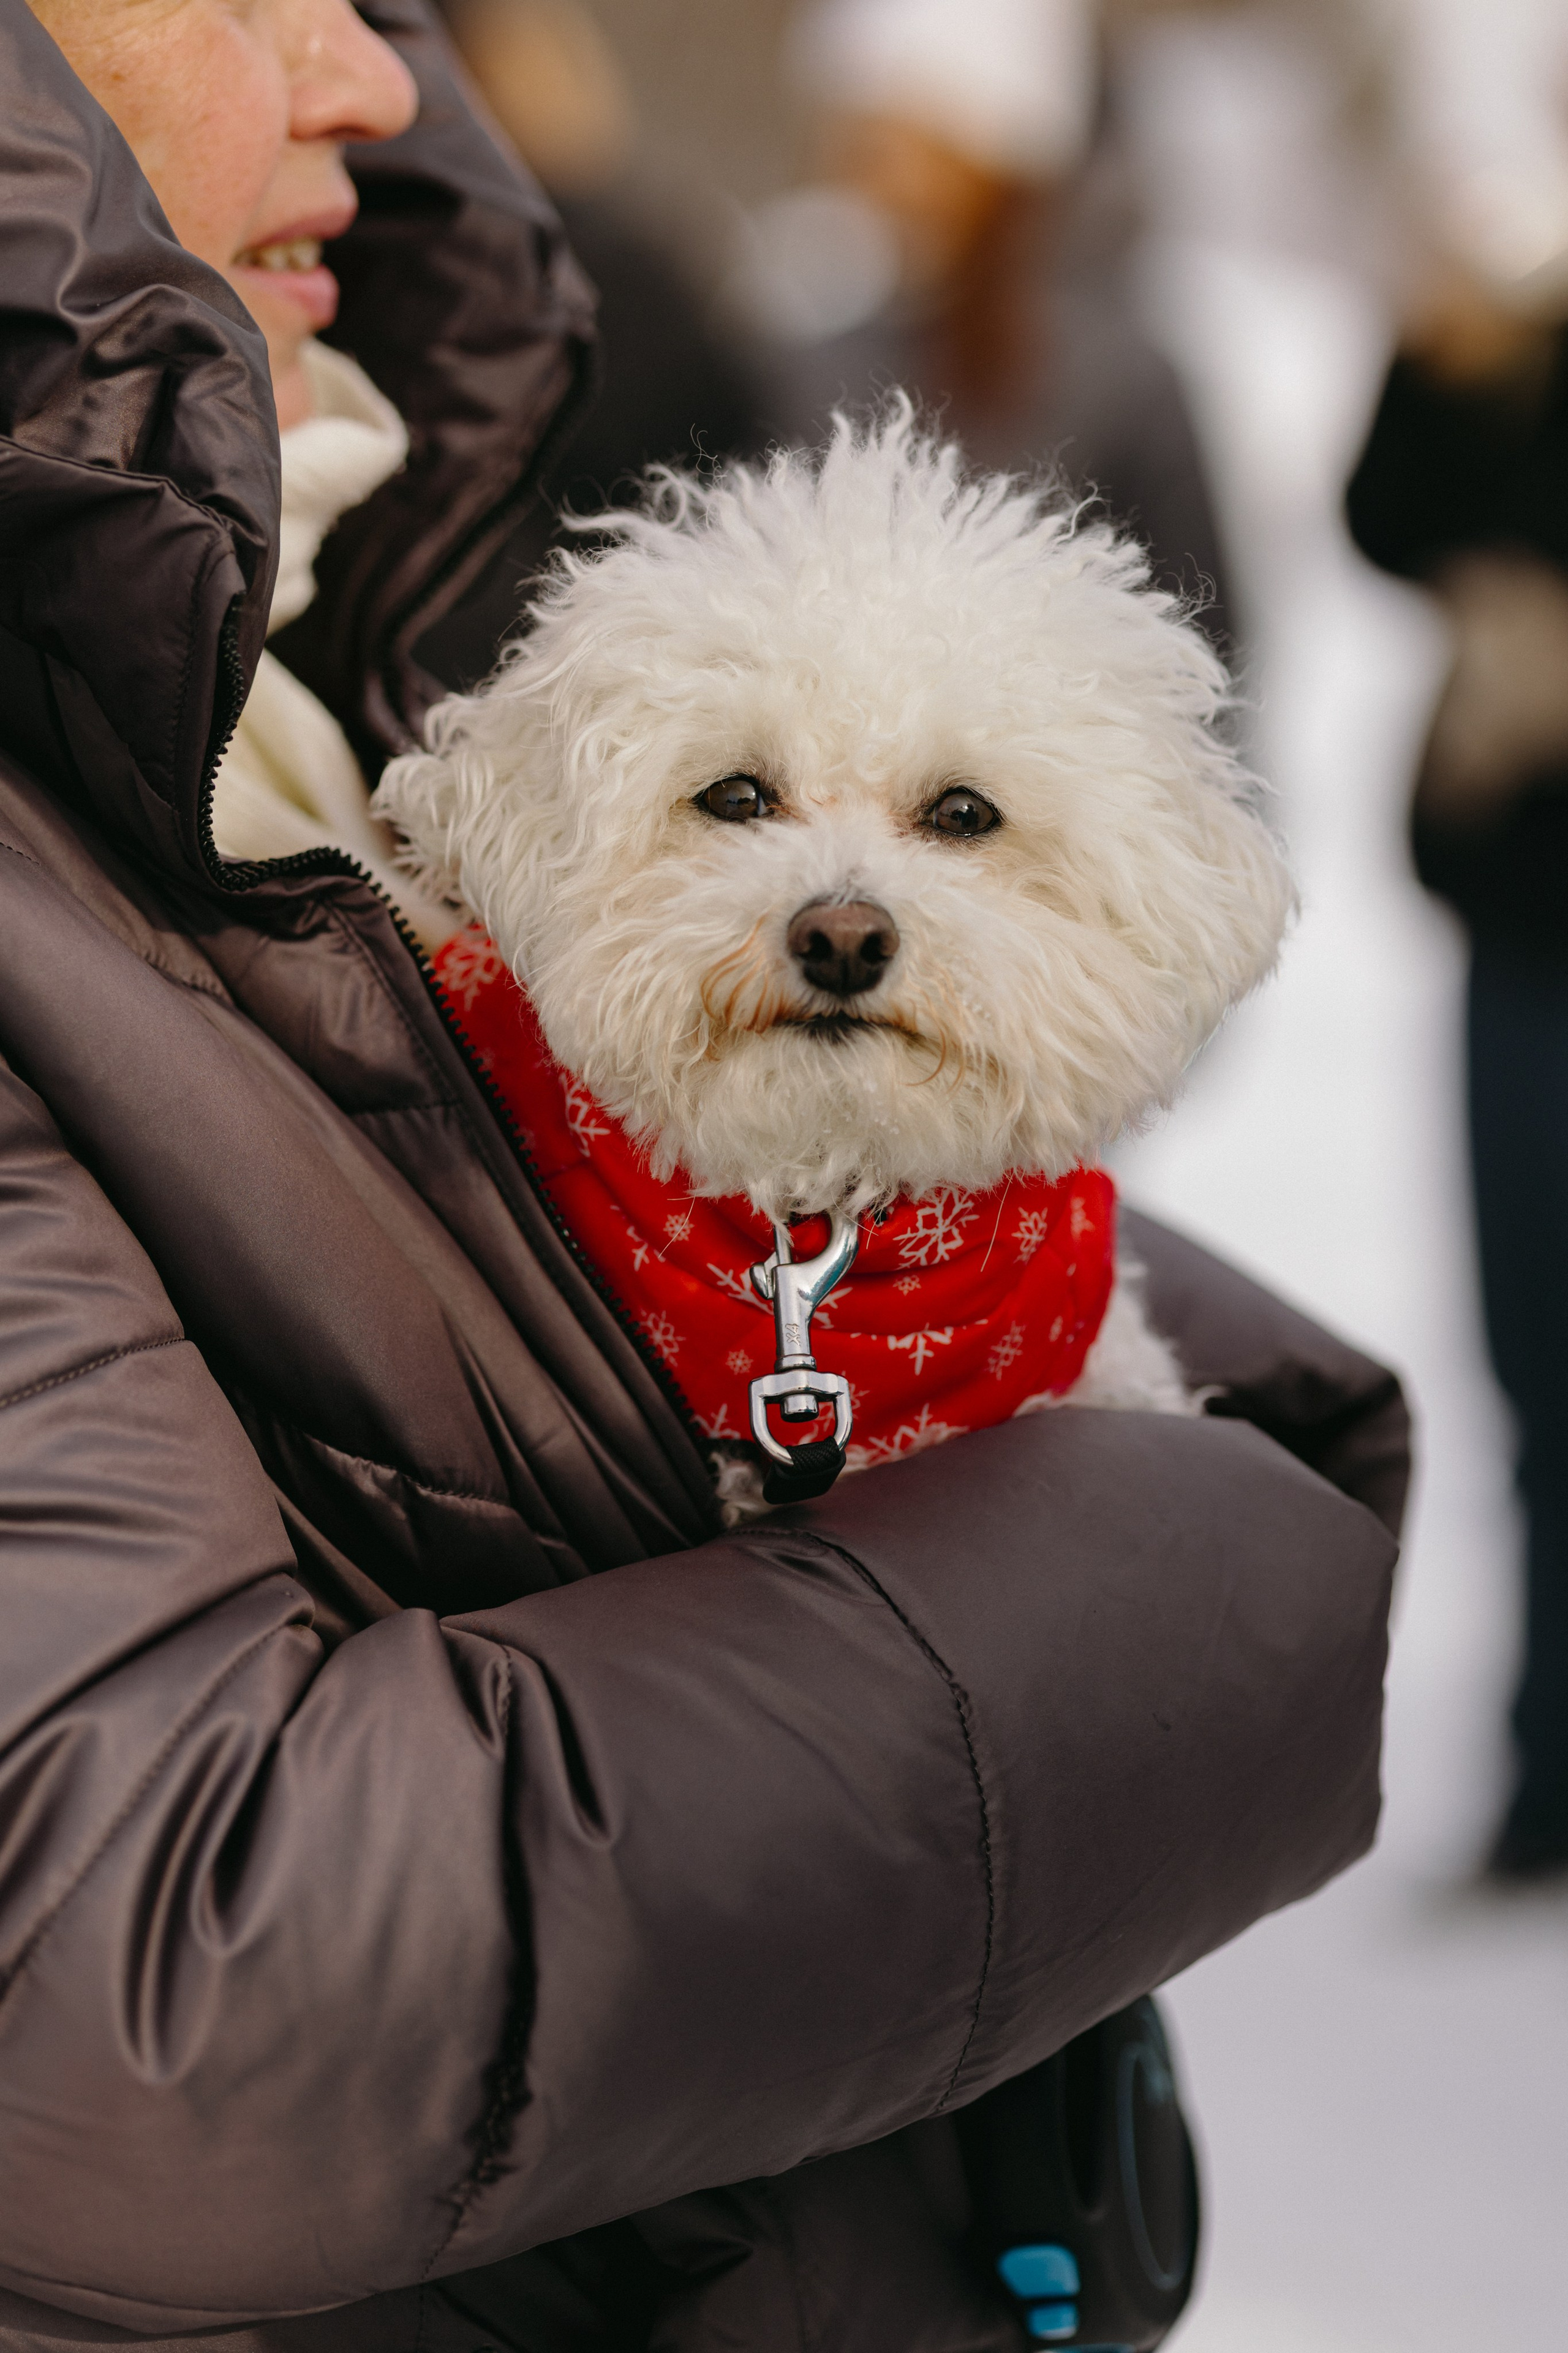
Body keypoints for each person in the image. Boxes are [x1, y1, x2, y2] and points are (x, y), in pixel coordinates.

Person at [0, 0, 1404, 2344]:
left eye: (956, 821)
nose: (368, 78)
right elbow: (184, 1986)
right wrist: (1166, 1591)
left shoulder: (310, 599)